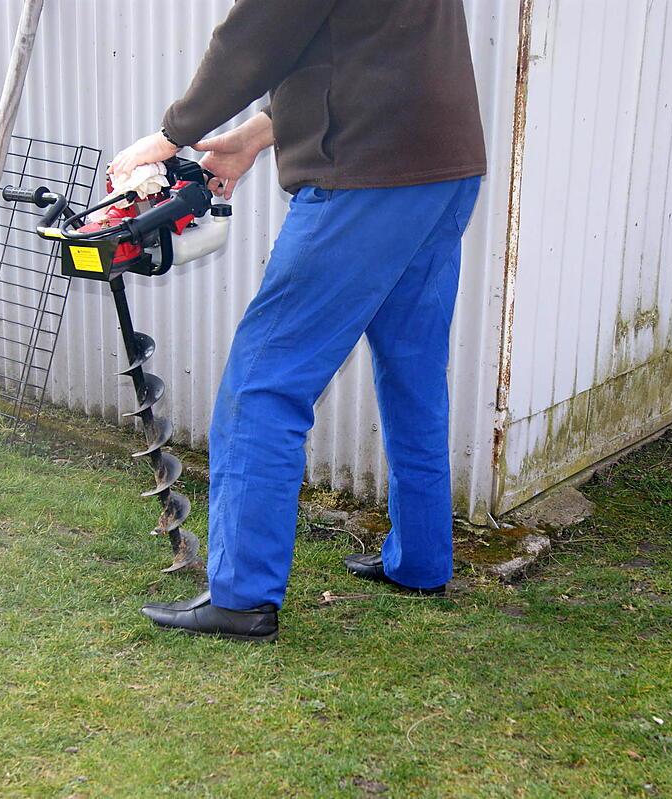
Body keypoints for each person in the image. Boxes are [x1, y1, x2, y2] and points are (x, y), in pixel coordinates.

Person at [122, 0, 486, 642]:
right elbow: (360, 49)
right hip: (440, 169)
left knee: (265, 381)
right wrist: (252, 137)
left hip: (365, 179)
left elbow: (258, 32)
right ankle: (421, 560)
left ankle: (241, 597)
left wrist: (173, 132)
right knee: (414, 371)